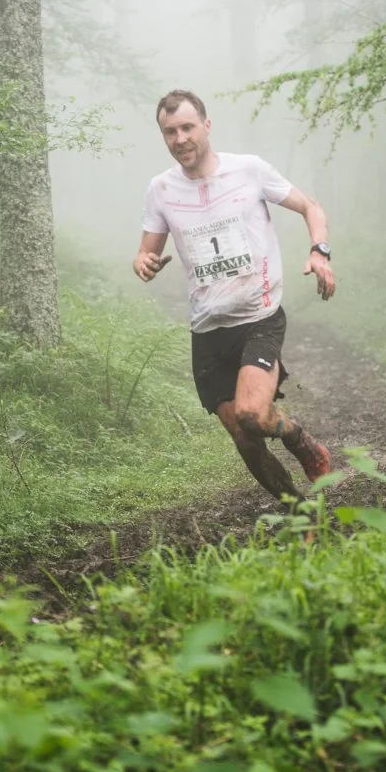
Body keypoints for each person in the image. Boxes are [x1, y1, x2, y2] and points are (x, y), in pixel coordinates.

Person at [133, 89, 336, 501]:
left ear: (206, 126)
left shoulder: (250, 170)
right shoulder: (161, 189)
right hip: (207, 330)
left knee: (252, 414)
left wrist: (320, 252)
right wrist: (143, 263)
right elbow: (146, 253)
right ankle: (299, 513)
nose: (180, 138)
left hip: (258, 317)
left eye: (188, 127)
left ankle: (304, 443)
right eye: (169, 132)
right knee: (246, 440)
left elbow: (311, 207)